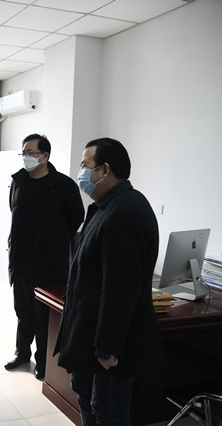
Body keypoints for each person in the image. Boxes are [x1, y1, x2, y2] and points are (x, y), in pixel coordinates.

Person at [54, 138, 162, 425]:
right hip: (88, 332)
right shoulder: (105, 206)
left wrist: (108, 347)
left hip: (109, 344)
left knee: (108, 411)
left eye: (85, 165)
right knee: (87, 399)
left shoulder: (125, 211)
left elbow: (120, 289)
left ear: (104, 170)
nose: (80, 172)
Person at [5, 133, 85, 380]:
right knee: (23, 311)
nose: (25, 157)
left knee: (43, 315)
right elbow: (14, 212)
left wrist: (53, 240)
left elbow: (76, 218)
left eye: (31, 153)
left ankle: (43, 361)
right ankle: (22, 353)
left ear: (45, 156)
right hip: (21, 260)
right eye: (23, 153)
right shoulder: (18, 181)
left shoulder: (63, 185)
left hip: (50, 262)